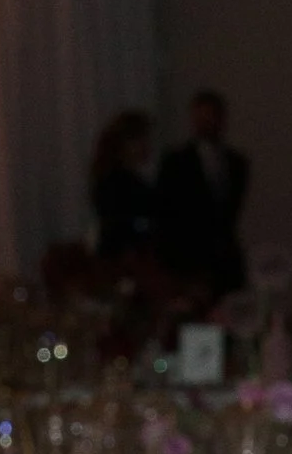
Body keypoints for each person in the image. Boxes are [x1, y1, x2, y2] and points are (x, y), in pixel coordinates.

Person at [153, 90, 249, 298]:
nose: (205, 123)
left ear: (221, 119)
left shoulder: (236, 163)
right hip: (189, 259)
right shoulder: (176, 162)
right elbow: (165, 212)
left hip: (225, 258)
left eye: (210, 117)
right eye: (200, 118)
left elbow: (229, 211)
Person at [88, 110, 158, 265]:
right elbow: (120, 225)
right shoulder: (115, 181)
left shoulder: (126, 179)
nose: (146, 145)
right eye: (139, 139)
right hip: (123, 260)